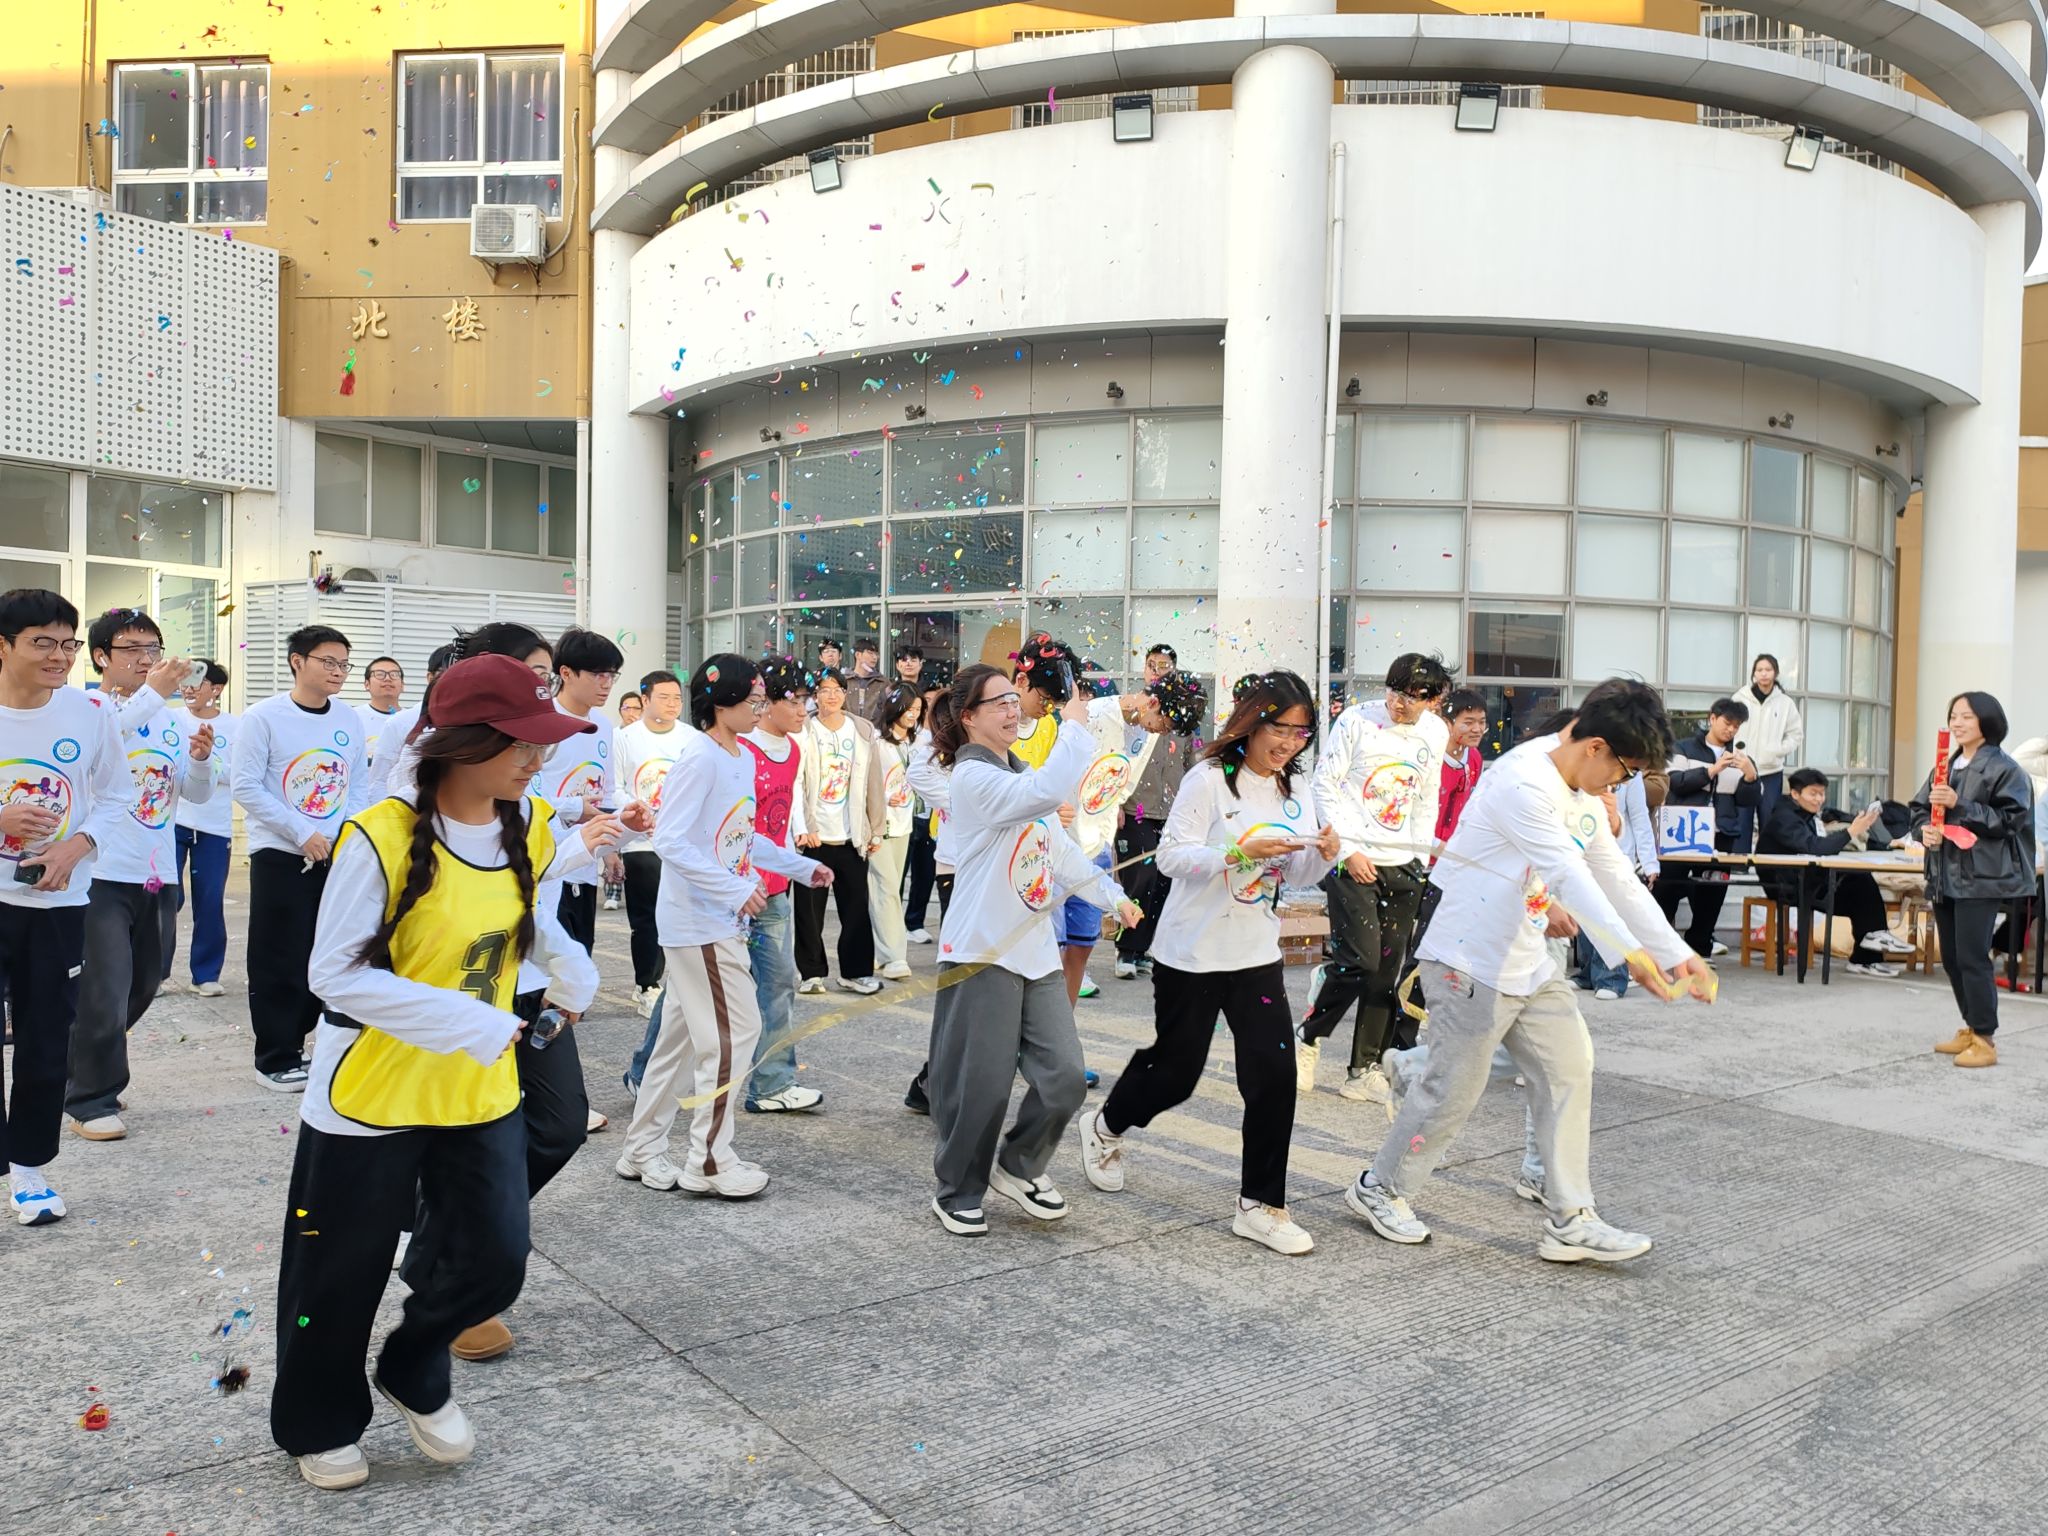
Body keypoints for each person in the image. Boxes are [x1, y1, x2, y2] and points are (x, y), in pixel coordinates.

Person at [269, 654, 622, 1491]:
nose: (538, 759)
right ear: (463, 744)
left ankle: (414, 1365)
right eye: (521, 744)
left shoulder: (529, 822)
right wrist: (471, 1022)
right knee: (337, 1274)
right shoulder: (379, 835)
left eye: (543, 743)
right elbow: (334, 974)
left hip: (479, 1089)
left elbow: (525, 916)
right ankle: (320, 1421)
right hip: (373, 1091)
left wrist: (572, 975)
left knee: (496, 1255)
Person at [1345, 680, 1712, 1264]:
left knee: (1570, 1069)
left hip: (1528, 960)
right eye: (1624, 772)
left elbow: (1614, 874)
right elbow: (1568, 874)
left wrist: (1675, 953)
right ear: (1596, 746)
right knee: (1452, 1092)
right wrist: (1630, 955)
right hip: (1468, 958)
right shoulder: (1523, 781)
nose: (1619, 786)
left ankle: (1571, 1217)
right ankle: (1379, 1187)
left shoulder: (1583, 789)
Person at [1081, 670, 1339, 1255]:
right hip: (1192, 953)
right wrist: (1236, 852)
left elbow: (1296, 872)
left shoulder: (1297, 790)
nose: (1288, 743)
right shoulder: (1208, 779)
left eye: (1300, 733)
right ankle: (1105, 1125)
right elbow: (1171, 859)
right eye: (1280, 728)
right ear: (1252, 722)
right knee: (1175, 1073)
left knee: (1274, 1077)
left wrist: (1325, 854)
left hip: (1256, 953)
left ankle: (1261, 1204)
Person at [925, 664, 1138, 1236]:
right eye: (998, 702)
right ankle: (958, 1188)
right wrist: (1076, 726)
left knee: (1065, 1078)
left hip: (1036, 952)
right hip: (984, 951)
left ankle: (1019, 1165)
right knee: (982, 1086)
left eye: (1013, 700)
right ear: (968, 717)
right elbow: (1043, 793)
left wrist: (1113, 897)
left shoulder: (1021, 773)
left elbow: (1060, 853)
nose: (1011, 710)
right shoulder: (972, 777)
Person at [615, 656, 831, 1197]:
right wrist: (733, 890)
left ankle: (641, 1149)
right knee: (736, 1033)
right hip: (701, 922)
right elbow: (671, 839)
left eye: (762, 699)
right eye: (753, 700)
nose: (760, 708)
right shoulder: (701, 757)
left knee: (677, 1045)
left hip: (714, 919)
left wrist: (798, 867)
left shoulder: (735, 754)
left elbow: (738, 836)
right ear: (721, 703)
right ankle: (708, 1160)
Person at [0, 591, 133, 1225]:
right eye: (42, 643)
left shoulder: (90, 712)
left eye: (68, 643)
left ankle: (29, 1169)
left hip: (57, 902)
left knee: (46, 1039)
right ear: (3, 646)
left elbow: (117, 795)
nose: (59, 656)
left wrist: (76, 847)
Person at [65, 607, 215, 1143]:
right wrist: (155, 692)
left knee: (148, 981)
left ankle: (83, 1062)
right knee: (105, 988)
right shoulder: (88, 708)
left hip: (157, 872)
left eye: (153, 648)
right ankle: (90, 1098)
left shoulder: (171, 720)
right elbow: (106, 736)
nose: (147, 659)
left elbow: (193, 795)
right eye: (132, 649)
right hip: (101, 872)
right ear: (101, 656)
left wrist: (201, 760)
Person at [1298, 653, 1451, 1102]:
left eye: (1412, 697)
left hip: (1404, 863)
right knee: (1359, 961)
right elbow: (1324, 784)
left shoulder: (1435, 732)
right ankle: (1307, 1037)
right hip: (1352, 859)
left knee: (1387, 971)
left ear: (1432, 700)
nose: (1399, 703)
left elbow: (1426, 795)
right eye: (1394, 691)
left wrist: (1419, 856)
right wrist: (1348, 851)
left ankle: (1363, 1068)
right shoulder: (1357, 721)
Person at [234, 624, 366, 1091]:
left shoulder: (348, 719)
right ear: (297, 661)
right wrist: (301, 832)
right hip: (282, 854)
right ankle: (275, 1056)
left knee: (330, 952)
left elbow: (356, 785)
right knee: (280, 956)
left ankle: (314, 1046)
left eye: (344, 664)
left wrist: (350, 835)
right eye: (328, 662)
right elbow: (246, 786)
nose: (338, 672)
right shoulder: (263, 717)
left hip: (337, 855)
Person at [1057, 665, 1207, 1008]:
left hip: (1095, 844)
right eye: (1163, 724)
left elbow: (1122, 783)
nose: (1161, 731)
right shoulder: (1093, 716)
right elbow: (1058, 773)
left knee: (1081, 946)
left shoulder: (1147, 733)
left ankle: (1063, 1024)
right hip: (1060, 842)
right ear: (1152, 702)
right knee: (1049, 945)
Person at [1911, 692, 2035, 1069]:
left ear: (1987, 721)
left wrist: (1959, 805)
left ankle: (1985, 1038)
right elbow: (1918, 809)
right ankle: (1971, 1026)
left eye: (1966, 716)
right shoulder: (1945, 766)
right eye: (1954, 715)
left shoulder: (2006, 769)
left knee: (1972, 956)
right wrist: (1923, 831)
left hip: (1983, 876)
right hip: (1944, 873)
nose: (1957, 722)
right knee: (1951, 958)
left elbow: (2010, 821)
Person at [1758, 768, 1912, 978]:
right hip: (1786, 885)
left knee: (1861, 881)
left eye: (1822, 794)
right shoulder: (1784, 818)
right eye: (1813, 794)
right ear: (1795, 794)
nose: (1819, 799)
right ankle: (1869, 951)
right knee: (1859, 886)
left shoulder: (1808, 816)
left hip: (1809, 879)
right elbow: (1814, 847)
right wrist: (1851, 831)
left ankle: (1869, 951)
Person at [794, 668, 886, 996]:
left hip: (851, 835)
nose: (831, 696)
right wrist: (804, 827)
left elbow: (874, 782)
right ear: (815, 696)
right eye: (824, 690)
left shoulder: (861, 729)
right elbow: (796, 782)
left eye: (837, 689)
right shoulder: (804, 730)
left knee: (857, 908)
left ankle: (856, 973)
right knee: (808, 911)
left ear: (845, 694)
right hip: (814, 836)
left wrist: (876, 829)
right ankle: (811, 973)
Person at [1112, 646, 1200, 982]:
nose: (1157, 670)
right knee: (1140, 878)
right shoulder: (1133, 713)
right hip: (1135, 809)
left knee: (1164, 880)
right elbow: (1114, 761)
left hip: (1170, 812)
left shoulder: (1181, 719)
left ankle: (1144, 948)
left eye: (1164, 666)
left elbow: (1191, 765)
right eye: (1152, 665)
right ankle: (1126, 948)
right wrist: (1115, 804)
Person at [1654, 698, 1760, 958]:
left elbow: (1748, 801)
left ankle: (1701, 950)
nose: (1731, 730)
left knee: (1711, 896)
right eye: (1727, 723)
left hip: (1720, 834)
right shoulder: (1683, 748)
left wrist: (1750, 777)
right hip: (1683, 830)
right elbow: (1675, 782)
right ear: (1712, 718)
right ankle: (1662, 951)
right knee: (1666, 889)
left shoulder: (1740, 757)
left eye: (1736, 726)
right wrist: (1712, 770)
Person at [615, 669, 690, 1017]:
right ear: (644, 700)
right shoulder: (625, 738)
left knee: (680, 914)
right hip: (640, 842)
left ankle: (679, 982)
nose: (672, 704)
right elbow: (614, 787)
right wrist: (638, 813)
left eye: (677, 698)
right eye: (664, 697)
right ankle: (647, 984)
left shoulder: (690, 738)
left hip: (680, 841)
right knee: (646, 916)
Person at [548, 628, 626, 955]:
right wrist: (572, 807)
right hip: (549, 865)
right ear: (566, 673)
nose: (606, 684)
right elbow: (522, 797)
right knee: (552, 967)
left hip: (586, 866)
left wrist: (610, 850)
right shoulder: (543, 721)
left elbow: (605, 792)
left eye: (611, 675)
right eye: (597, 675)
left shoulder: (603, 725)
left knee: (580, 963)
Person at [164, 659, 235, 996]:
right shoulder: (172, 719)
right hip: (174, 821)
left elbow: (240, 773)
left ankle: (205, 974)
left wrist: (204, 762)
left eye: (198, 681)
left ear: (216, 689)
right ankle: (157, 973)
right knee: (167, 898)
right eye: (186, 681)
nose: (189, 688)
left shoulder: (236, 726)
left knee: (209, 899)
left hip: (214, 826)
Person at [1573, 773, 1659, 999]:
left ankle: (1611, 979)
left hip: (1617, 854)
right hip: (1584, 851)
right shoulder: (1583, 766)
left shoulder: (1631, 774)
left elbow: (1639, 816)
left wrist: (1649, 862)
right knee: (1586, 914)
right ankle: (1588, 974)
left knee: (1610, 917)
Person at [867, 682, 924, 982]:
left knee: (886, 889)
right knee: (887, 887)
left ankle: (879, 949)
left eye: (917, 709)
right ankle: (894, 956)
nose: (913, 714)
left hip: (904, 824)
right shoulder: (877, 742)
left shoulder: (914, 743)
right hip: (880, 825)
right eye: (908, 708)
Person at [361, 644, 453, 803]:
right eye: (446, 673)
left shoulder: (476, 723)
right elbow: (378, 782)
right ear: (430, 677)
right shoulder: (400, 722)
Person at [1732, 653, 1803, 848]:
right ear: (1754, 674)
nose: (1764, 674)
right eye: (1759, 670)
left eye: (1768, 670)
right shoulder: (1740, 698)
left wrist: (1778, 750)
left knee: (1769, 820)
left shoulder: (1785, 703)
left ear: (1775, 673)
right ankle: (1739, 861)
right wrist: (1736, 752)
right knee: (1741, 819)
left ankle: (1767, 862)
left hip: (1771, 771)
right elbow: (1729, 727)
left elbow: (1796, 734)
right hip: (1742, 769)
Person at [902, 672, 951, 945]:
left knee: (924, 873)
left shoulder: (953, 741)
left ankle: (915, 922)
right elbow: (916, 773)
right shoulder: (916, 736)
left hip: (931, 817)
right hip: (907, 814)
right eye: (927, 704)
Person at [357, 657, 405, 769]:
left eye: (394, 674)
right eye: (380, 674)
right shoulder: (354, 717)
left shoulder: (412, 719)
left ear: (402, 685)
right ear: (367, 684)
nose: (387, 679)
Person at [845, 637, 887, 719]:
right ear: (858, 655)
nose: (875, 657)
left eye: (876, 654)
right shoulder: (845, 680)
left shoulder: (883, 682)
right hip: (849, 725)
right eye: (870, 653)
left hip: (874, 726)